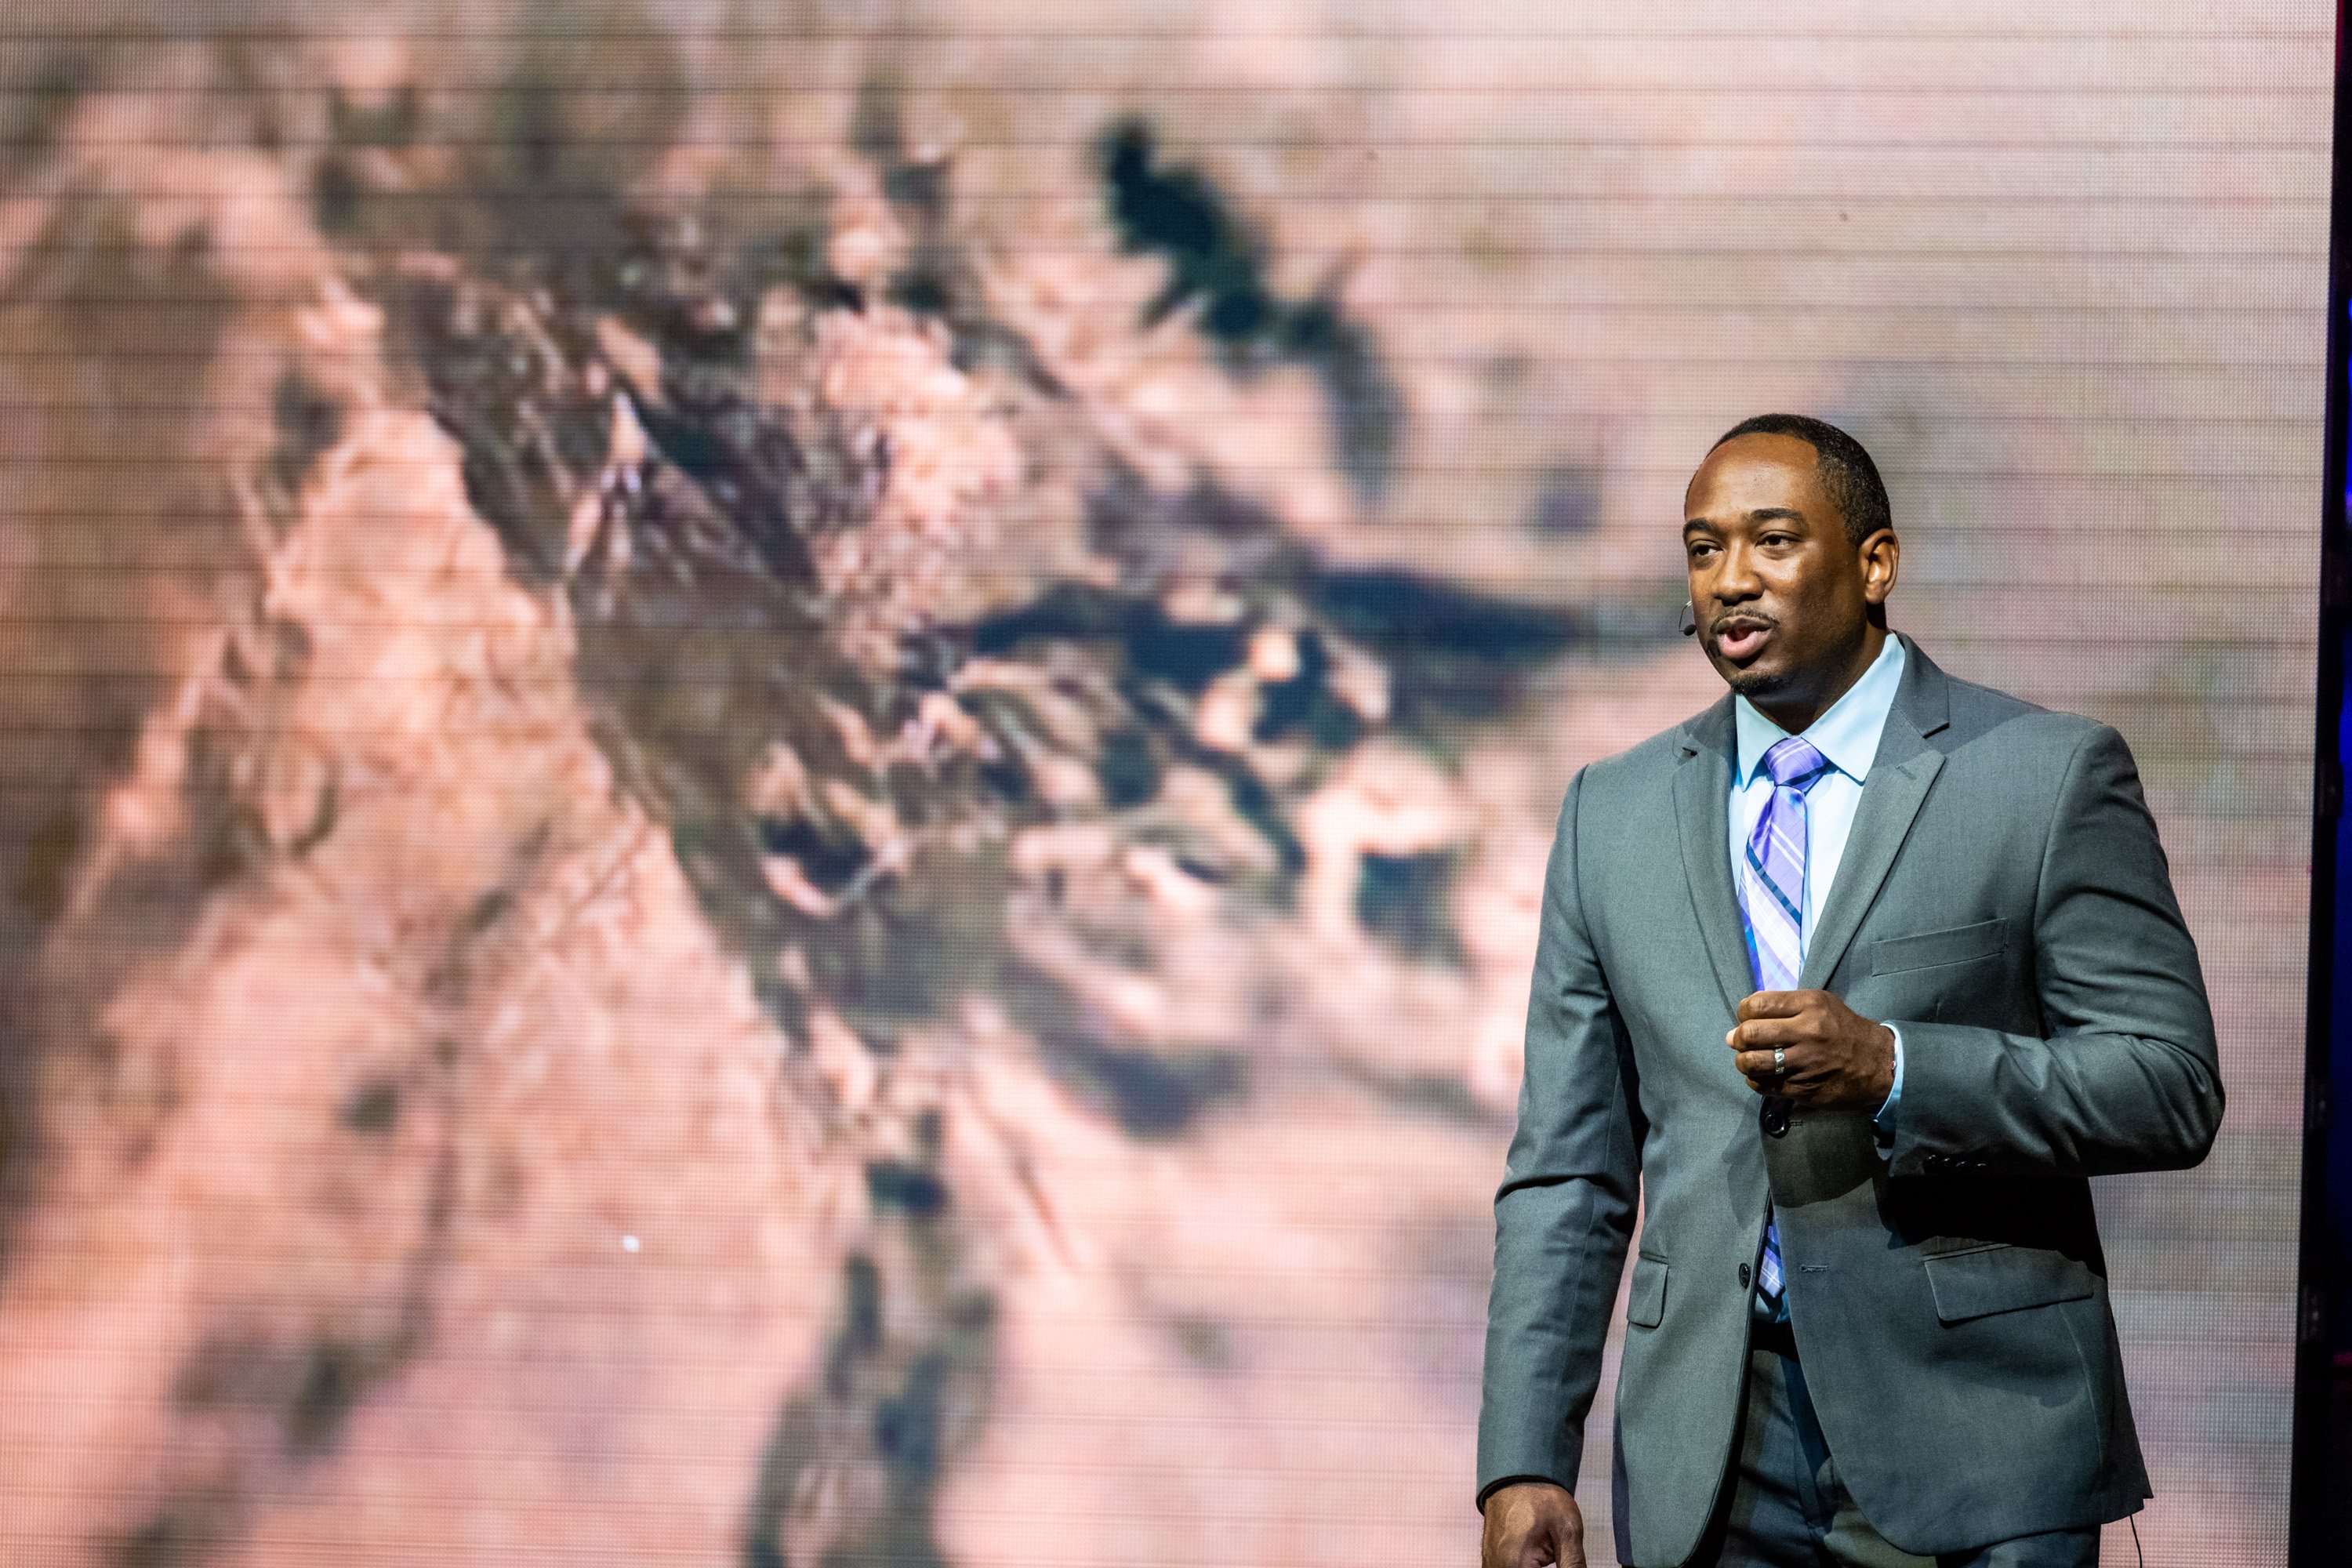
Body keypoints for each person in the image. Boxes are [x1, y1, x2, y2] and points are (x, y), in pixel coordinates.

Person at [1475, 414, 2223, 1568]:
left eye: (1773, 541)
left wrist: (1896, 1069)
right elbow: (1570, 1169)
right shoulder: (1609, 814)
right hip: (1711, 1453)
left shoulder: (2042, 776)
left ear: (1876, 564)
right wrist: (1527, 1457)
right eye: (1704, 548)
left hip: (1980, 1443)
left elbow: (2167, 1086)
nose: (1732, 579)